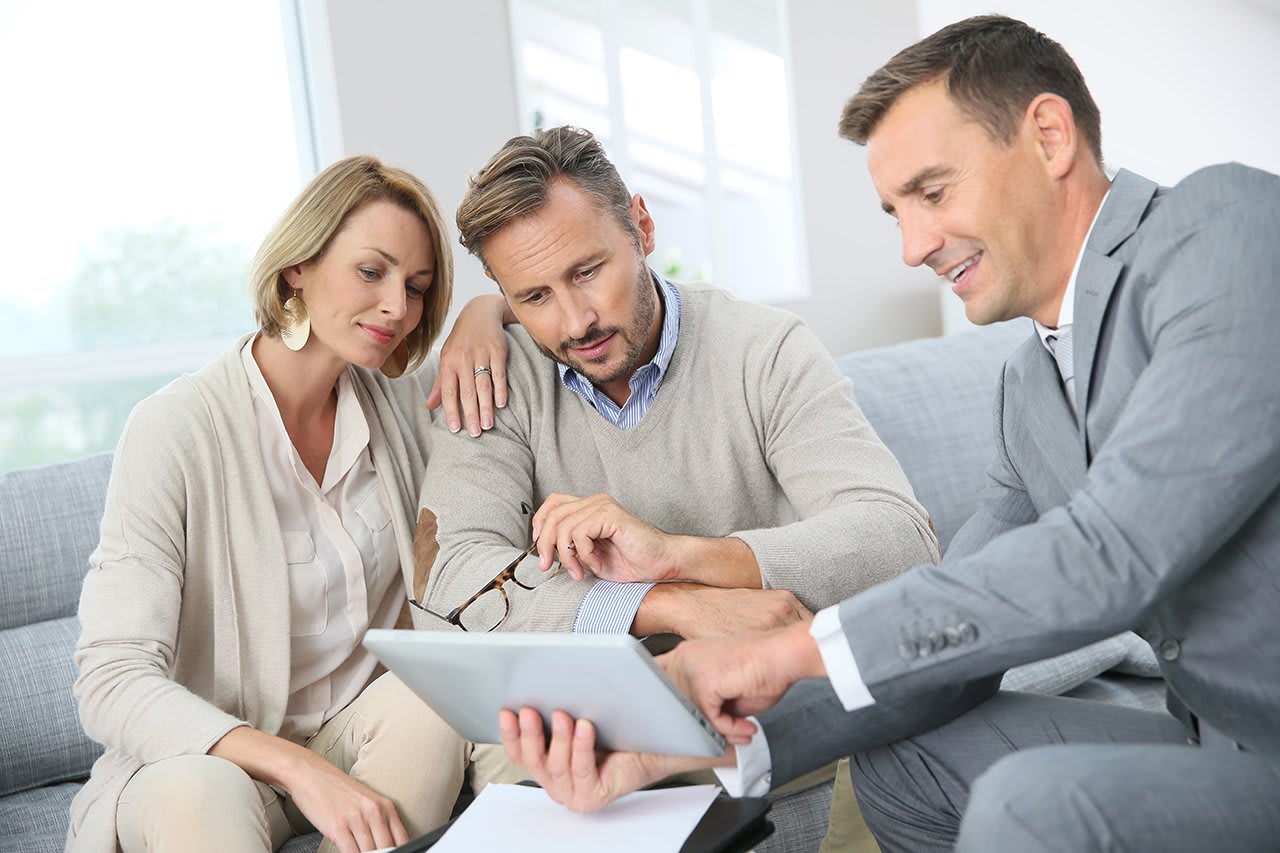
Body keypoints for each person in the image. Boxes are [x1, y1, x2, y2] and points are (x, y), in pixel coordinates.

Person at [500, 15, 1280, 853]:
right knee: (905, 759)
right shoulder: (1028, 390)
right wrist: (682, 744)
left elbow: (1113, 551)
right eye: (895, 210)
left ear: (1050, 136)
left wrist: (786, 651)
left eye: (933, 192)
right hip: (1219, 744)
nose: (913, 247)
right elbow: (953, 636)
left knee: (1029, 803)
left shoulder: (1225, 229)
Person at [69, 155, 515, 853]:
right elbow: (111, 679)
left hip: (355, 737)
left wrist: (485, 311)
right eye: (371, 271)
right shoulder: (175, 429)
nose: (397, 307)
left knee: (431, 702)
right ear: (298, 267)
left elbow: (541, 309)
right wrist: (299, 769)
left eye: (417, 287)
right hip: (208, 762)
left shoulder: (403, 408)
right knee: (201, 791)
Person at [415, 125, 938, 654]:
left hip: (768, 679)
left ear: (642, 228)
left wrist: (674, 556)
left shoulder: (764, 348)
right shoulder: (491, 377)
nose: (576, 323)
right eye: (535, 297)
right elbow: (445, 589)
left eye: (587, 272)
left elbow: (900, 539)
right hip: (598, 699)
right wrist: (667, 603)